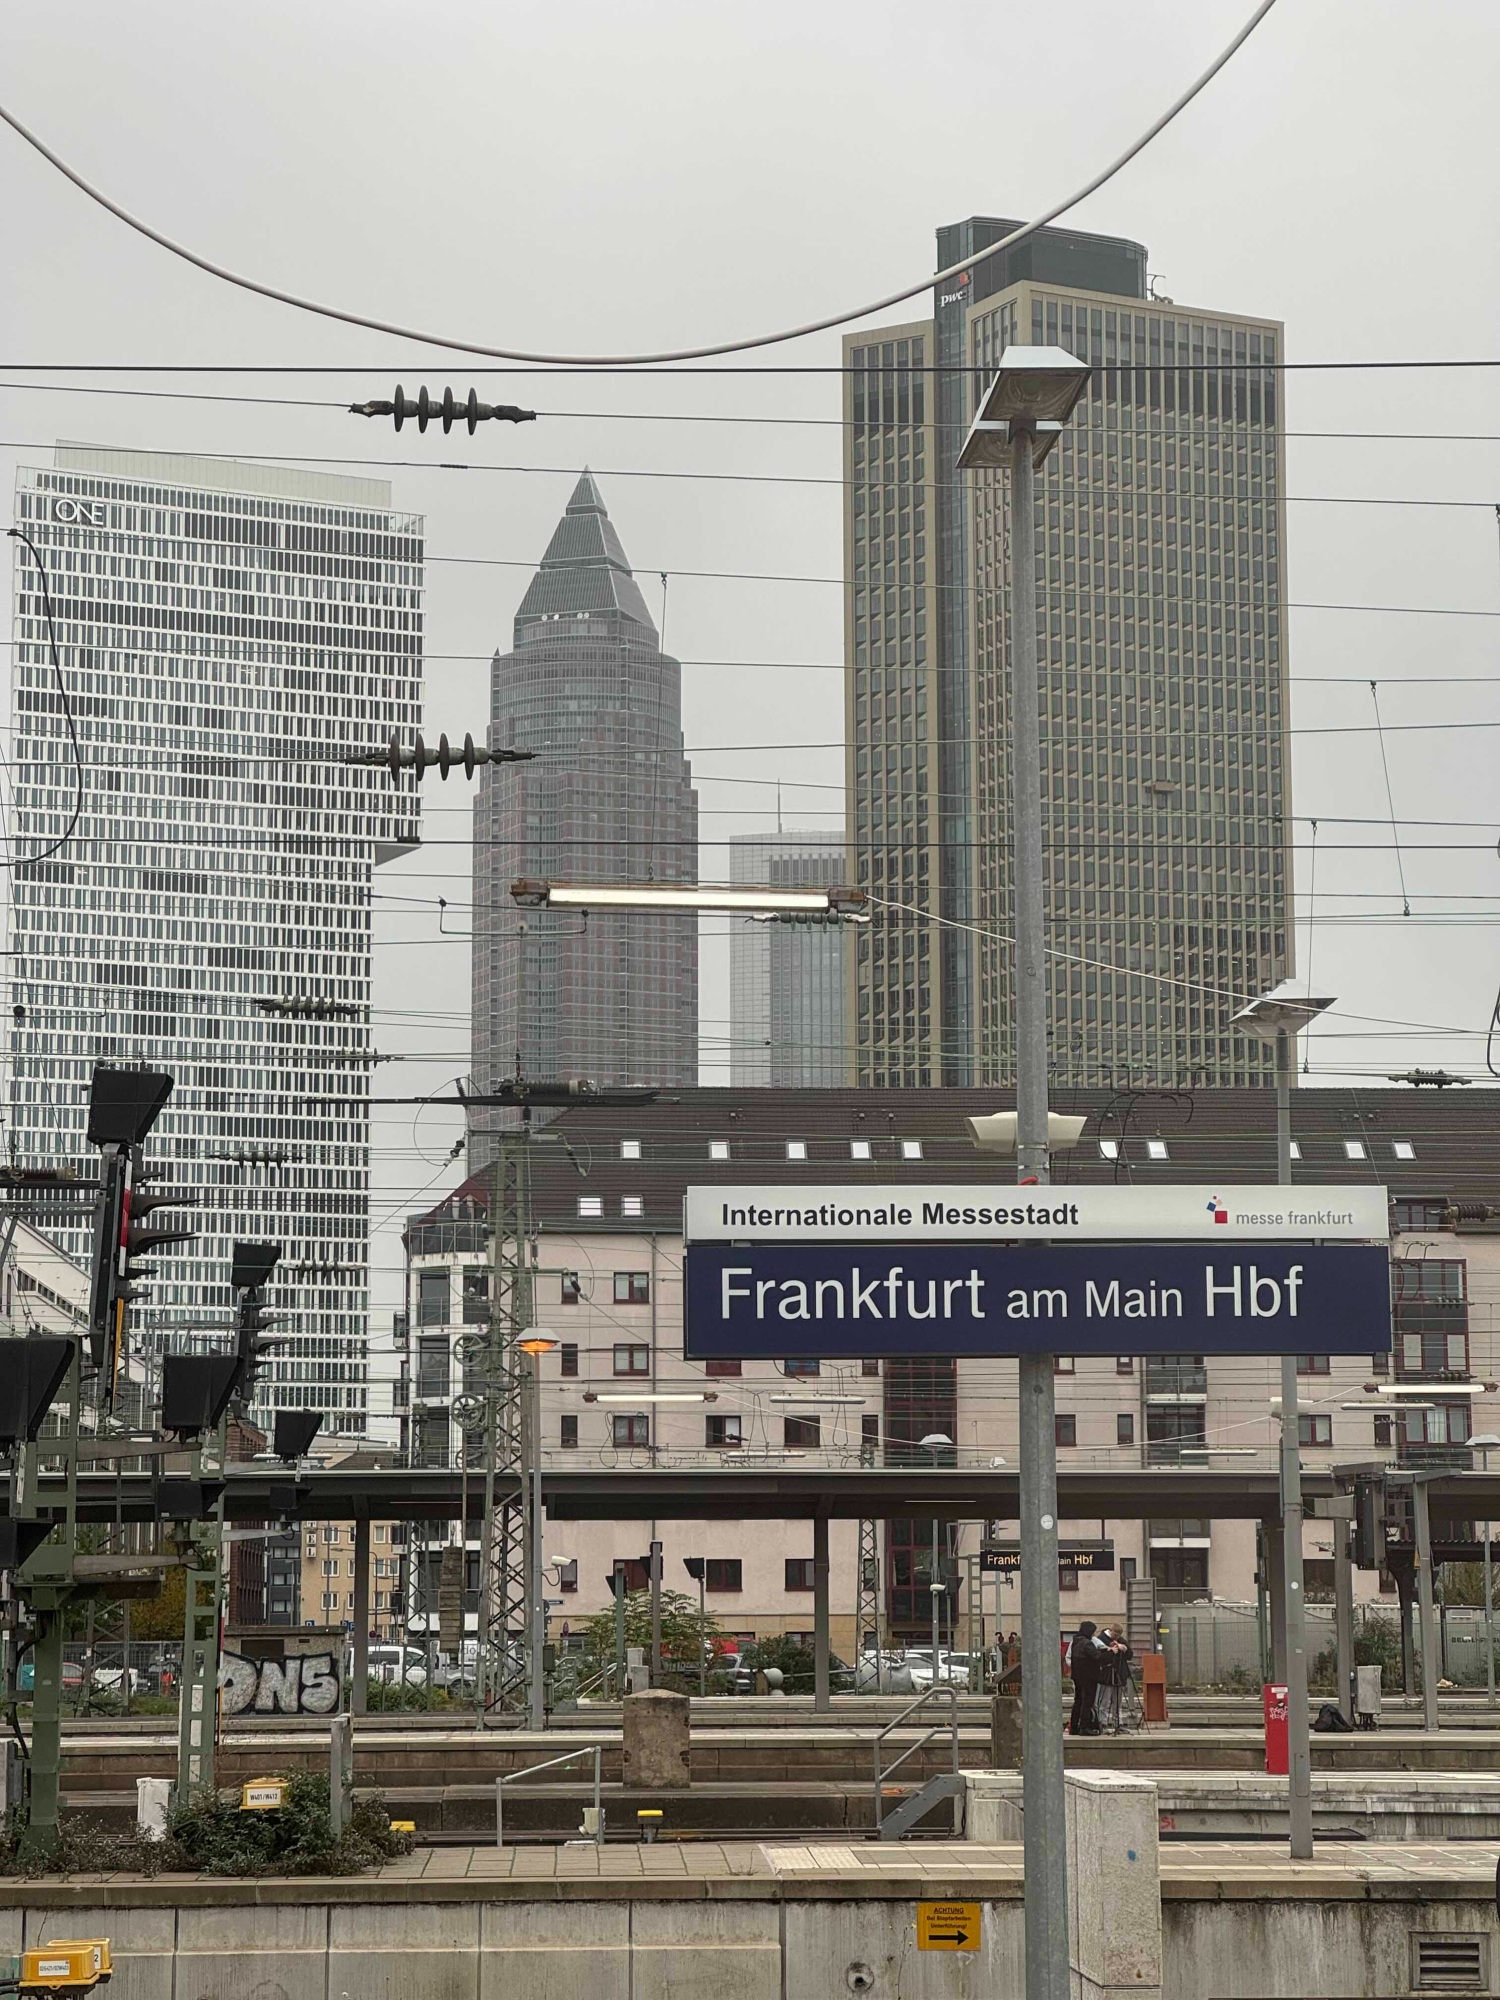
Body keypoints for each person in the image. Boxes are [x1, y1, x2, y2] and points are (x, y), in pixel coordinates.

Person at [1094, 1622, 1133, 1734]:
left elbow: (1129, 1654)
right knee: (1105, 1701)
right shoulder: (1101, 1639)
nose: (1117, 1638)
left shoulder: (1121, 1640)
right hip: (1107, 1674)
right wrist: (1111, 1650)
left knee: (1118, 1702)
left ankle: (1118, 1723)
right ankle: (1102, 1723)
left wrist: (1123, 1648)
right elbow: (1100, 1656)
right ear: (1111, 1631)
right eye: (1115, 1635)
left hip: (1119, 1674)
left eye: (1118, 1636)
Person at [1067, 1620, 1102, 1735]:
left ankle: (1074, 1727)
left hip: (1077, 1676)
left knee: (1078, 1701)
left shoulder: (1075, 1642)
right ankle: (1085, 1726)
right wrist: (1110, 1652)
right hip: (1088, 1677)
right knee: (1087, 1702)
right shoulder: (1087, 1643)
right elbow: (1097, 1656)